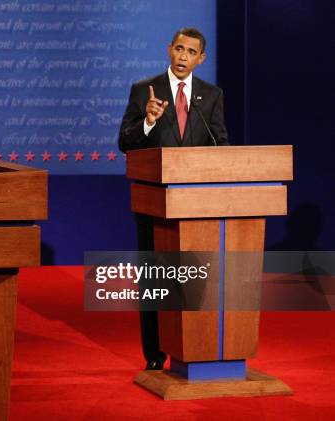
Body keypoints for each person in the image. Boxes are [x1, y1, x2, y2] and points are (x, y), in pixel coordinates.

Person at [117, 28, 229, 370]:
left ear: (200, 58)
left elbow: (220, 145)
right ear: (169, 50)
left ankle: (196, 345)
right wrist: (148, 122)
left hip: (197, 206)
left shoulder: (211, 96)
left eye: (191, 51)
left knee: (194, 281)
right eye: (178, 49)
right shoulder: (144, 92)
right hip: (155, 203)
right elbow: (124, 142)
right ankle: (154, 354)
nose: (183, 56)